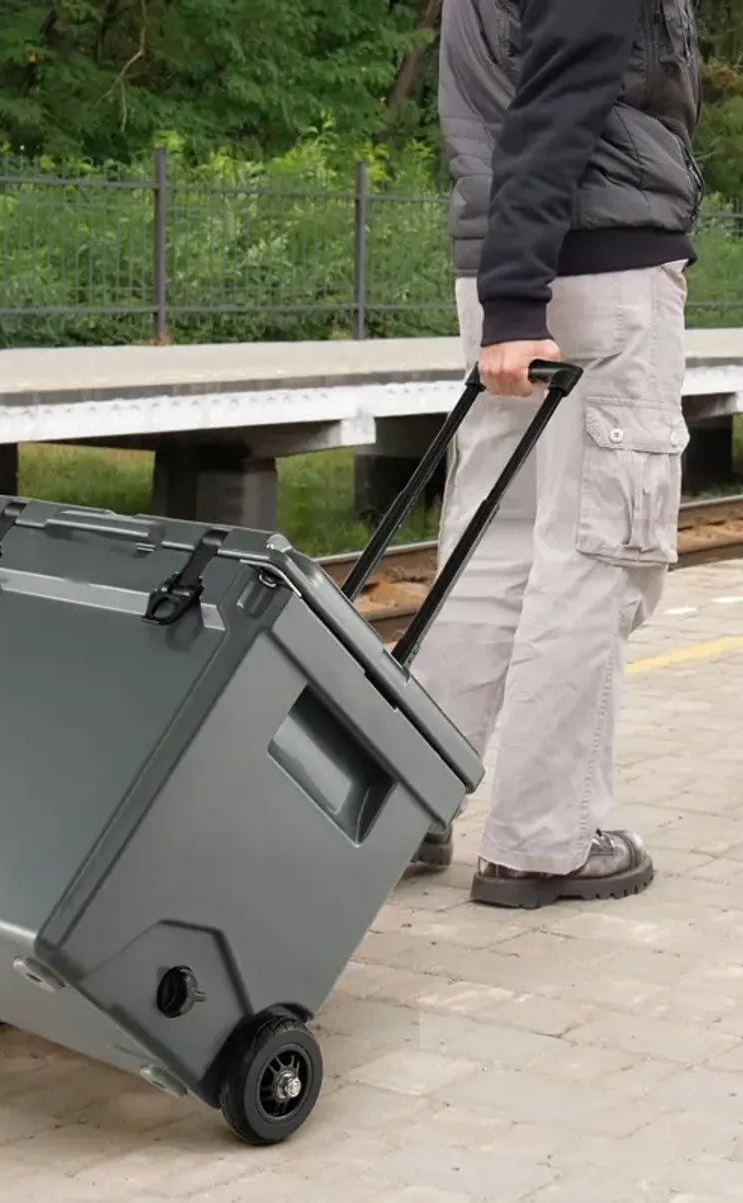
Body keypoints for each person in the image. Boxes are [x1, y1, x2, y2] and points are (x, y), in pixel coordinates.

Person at [409, 0, 702, 908]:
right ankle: (546, 841)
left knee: (489, 546)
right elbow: (559, 100)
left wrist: (504, 292)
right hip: (585, 274)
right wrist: (517, 299)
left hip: (513, 265)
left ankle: (400, 803)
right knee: (592, 554)